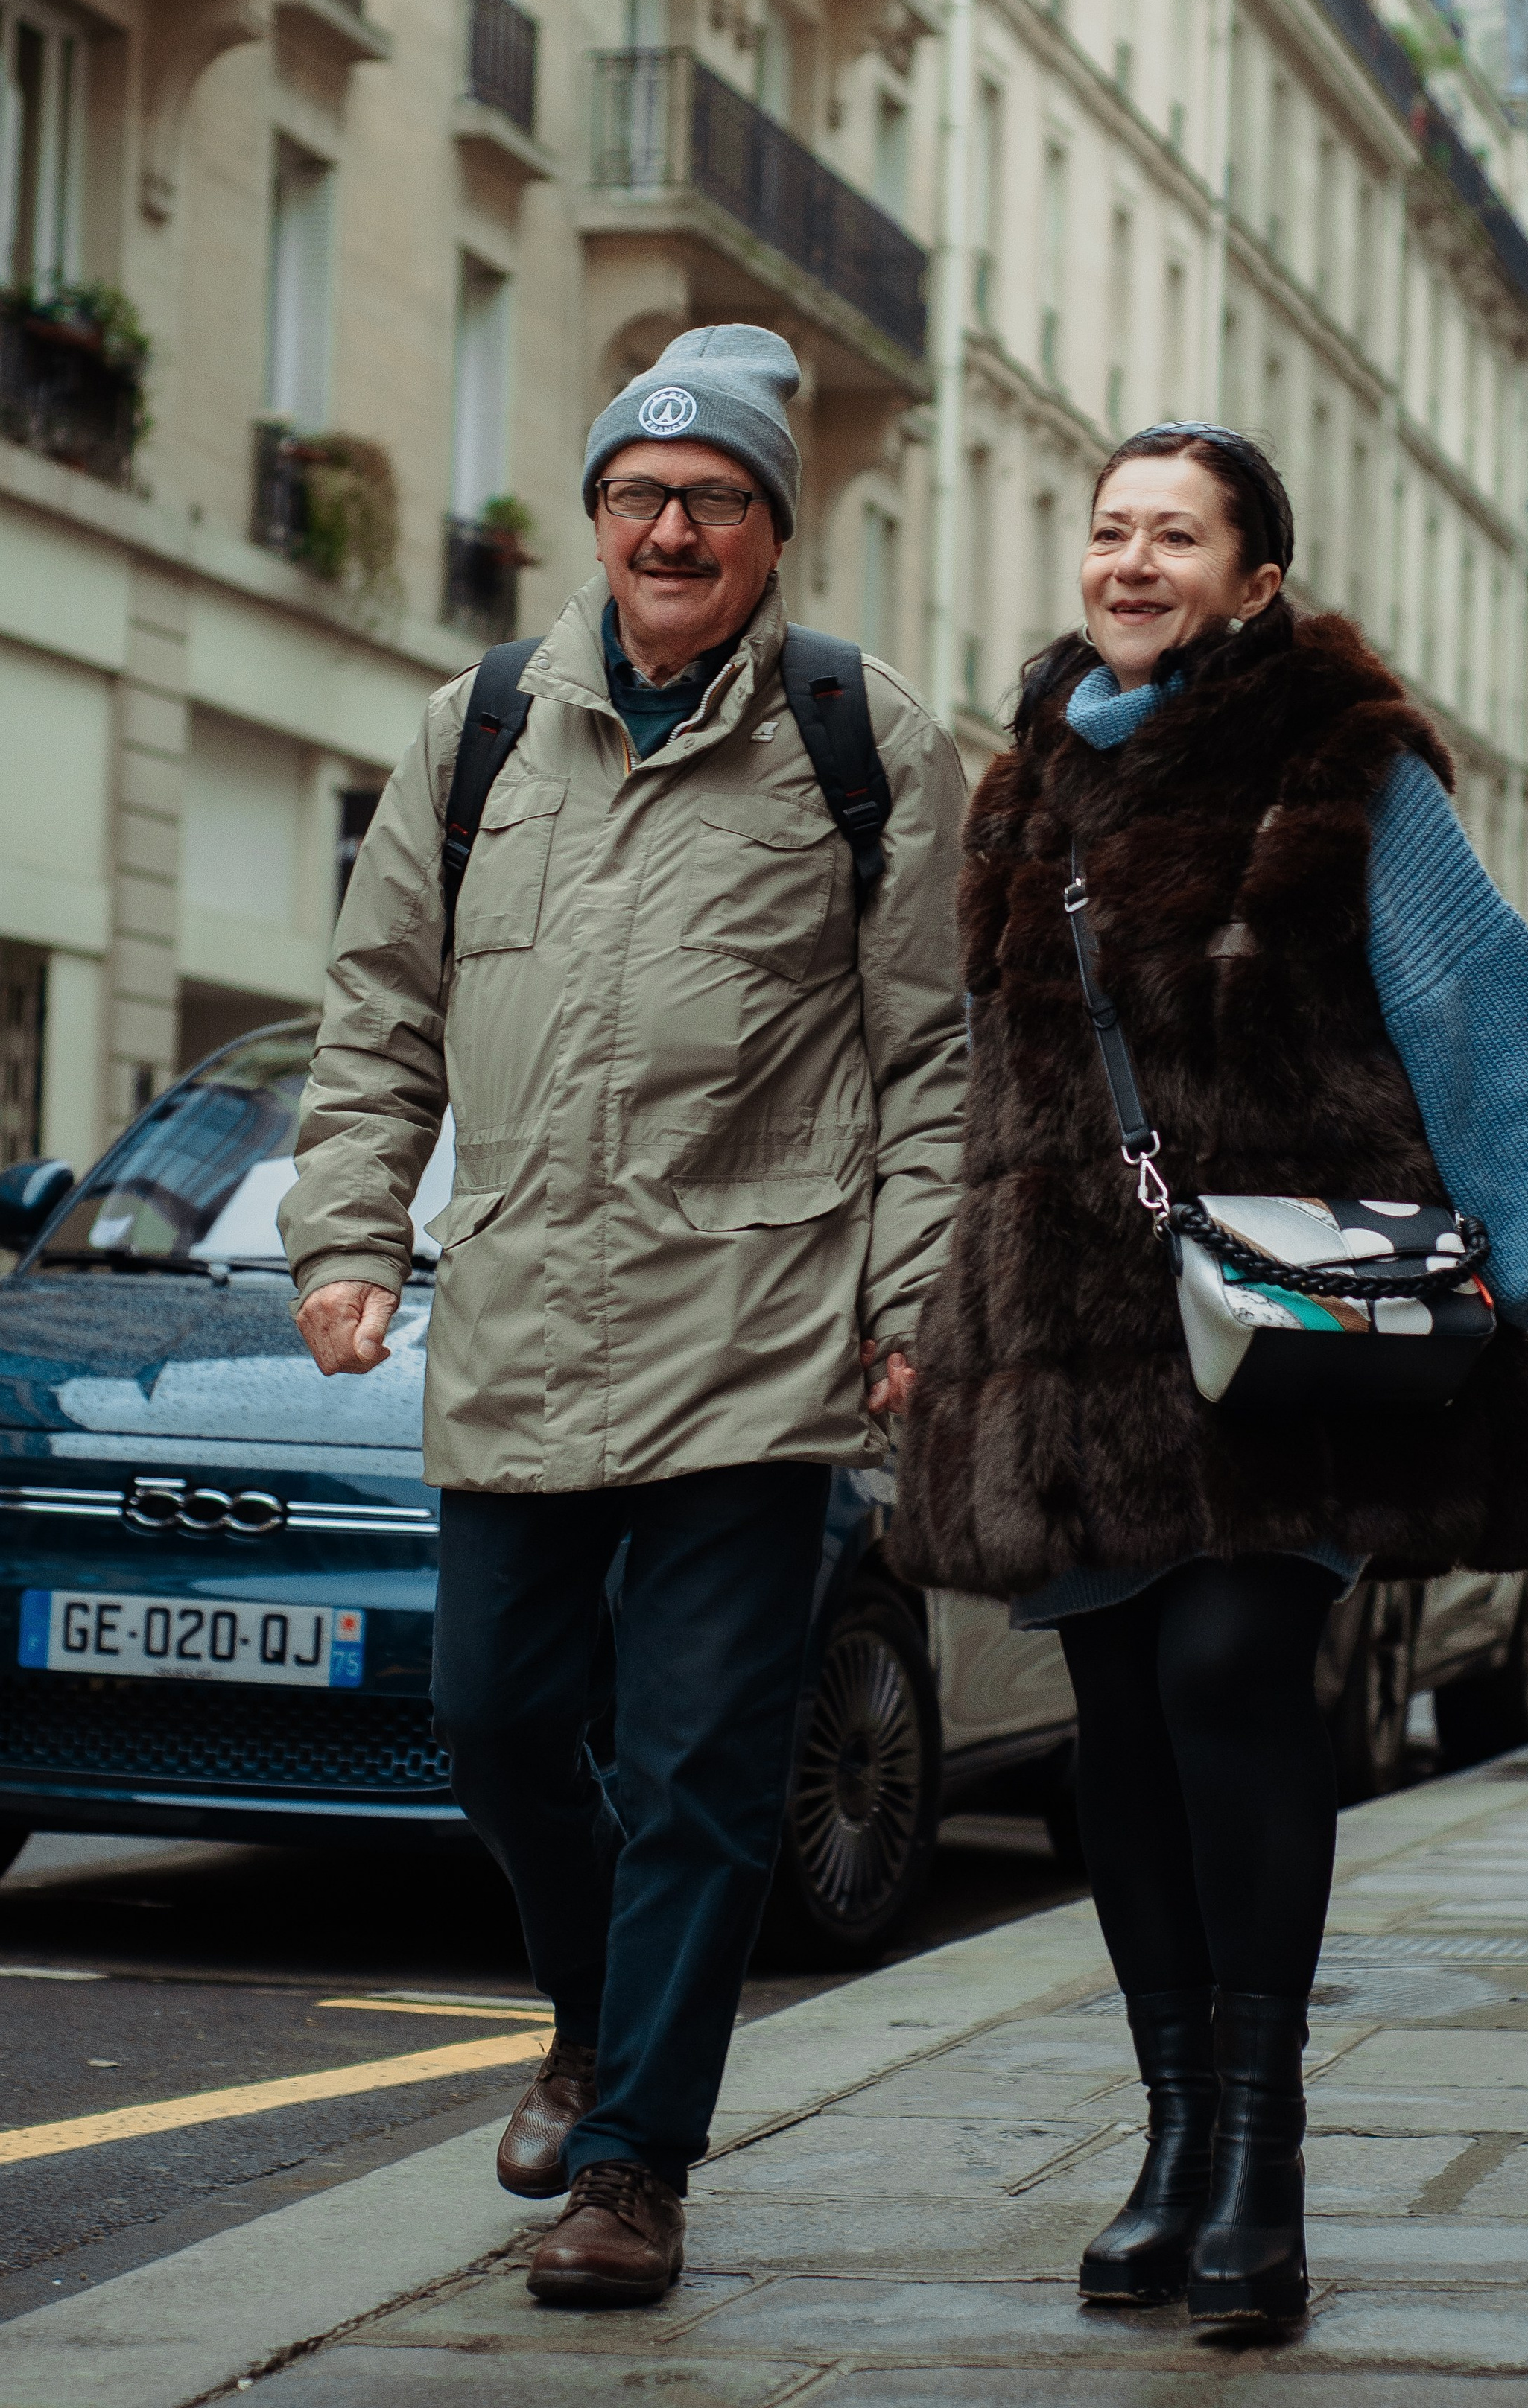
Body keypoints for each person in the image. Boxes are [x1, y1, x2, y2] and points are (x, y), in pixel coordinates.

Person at [888, 422, 1528, 2332]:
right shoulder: (1023, 787)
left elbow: (1484, 1020)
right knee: (1118, 1723)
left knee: (1229, 1670)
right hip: (1070, 1340)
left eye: (1174, 534)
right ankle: (1171, 2139)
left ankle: (1261, 2154)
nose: (1129, 561)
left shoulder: (1344, 766)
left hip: (1283, 1336)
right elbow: (974, 1078)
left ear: (1254, 578)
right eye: (1109, 529)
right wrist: (925, 1307)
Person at [282, 325, 963, 2309]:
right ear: (594, 517)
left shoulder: (859, 738)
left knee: (699, 1769)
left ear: (771, 531)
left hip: (761, 1332)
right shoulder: (478, 726)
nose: (673, 527)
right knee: (495, 1721)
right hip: (522, 1309)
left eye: (715, 498)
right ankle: (591, 2022)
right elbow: (379, 1010)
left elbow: (932, 1056)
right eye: (641, 494)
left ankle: (633, 2166)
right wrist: (347, 1236)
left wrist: (910, 1294)